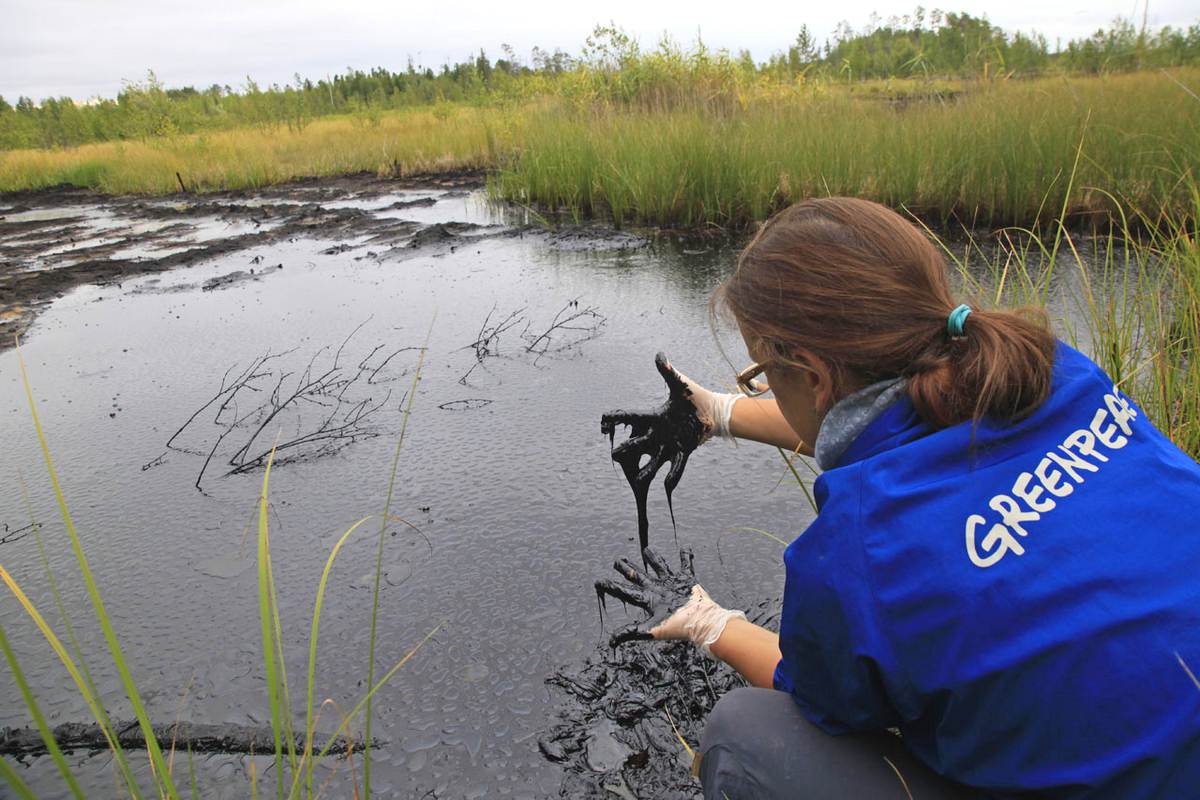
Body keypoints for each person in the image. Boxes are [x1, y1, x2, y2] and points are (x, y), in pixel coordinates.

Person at [641, 197, 1200, 798]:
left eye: (762, 375)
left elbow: (813, 695)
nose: (760, 388)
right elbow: (893, 431)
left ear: (809, 373)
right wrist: (720, 415)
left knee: (742, 732)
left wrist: (711, 625)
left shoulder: (857, 546)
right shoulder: (1053, 372)